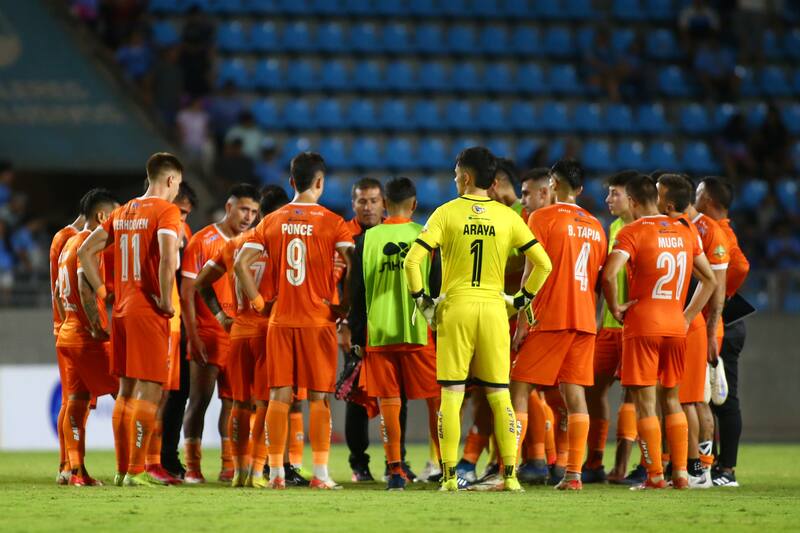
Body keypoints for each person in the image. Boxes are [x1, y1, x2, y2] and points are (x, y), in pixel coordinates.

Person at [403, 146, 552, 492]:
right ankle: (511, 476)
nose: (455, 180)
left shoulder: (445, 213)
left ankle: (450, 478)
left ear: (466, 177)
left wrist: (424, 303)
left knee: (452, 395)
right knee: (500, 395)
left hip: (456, 308)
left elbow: (413, 262)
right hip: (494, 310)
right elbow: (543, 264)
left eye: (456, 175)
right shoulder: (508, 217)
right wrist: (520, 301)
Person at [235, 152, 355, 490]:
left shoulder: (271, 220)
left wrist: (259, 303)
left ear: (291, 182)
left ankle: (274, 474)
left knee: (278, 396)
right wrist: (345, 303)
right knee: (318, 398)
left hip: (281, 320)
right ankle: (319, 473)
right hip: (318, 320)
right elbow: (352, 260)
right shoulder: (333, 222)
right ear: (319, 182)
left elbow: (241, 264)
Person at [601, 175, 716, 490]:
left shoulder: (632, 232)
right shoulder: (684, 231)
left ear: (634, 202)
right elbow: (710, 280)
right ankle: (680, 474)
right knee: (673, 401)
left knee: (645, 404)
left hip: (642, 325)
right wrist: (688, 315)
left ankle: (654, 476)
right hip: (675, 327)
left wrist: (614, 307)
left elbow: (609, 275)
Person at [78, 152, 183, 486]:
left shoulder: (122, 211)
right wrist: (166, 301)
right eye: (178, 183)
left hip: (122, 311)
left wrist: (105, 292)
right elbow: (168, 259)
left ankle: (124, 469)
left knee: (125, 393)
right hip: (148, 313)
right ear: (170, 180)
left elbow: (85, 253)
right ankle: (137, 470)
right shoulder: (167, 211)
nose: (177, 190)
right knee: (150, 392)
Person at [510, 159, 608, 491]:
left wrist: (523, 318)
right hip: (584, 318)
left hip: (550, 316)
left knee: (519, 386)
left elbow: (530, 270)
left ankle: (509, 471)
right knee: (575, 394)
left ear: (553, 184)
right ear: (580, 189)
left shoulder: (541, 217)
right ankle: (574, 475)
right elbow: (597, 276)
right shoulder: (597, 226)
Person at [195, 185, 291, 488]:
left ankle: (238, 471)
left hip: (237, 332)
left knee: (238, 403)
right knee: (263, 403)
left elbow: (201, 283)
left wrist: (221, 315)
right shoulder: (284, 246)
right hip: (268, 332)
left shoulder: (236, 244)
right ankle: (257, 469)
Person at [349, 177, 442, 491]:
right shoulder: (427, 237)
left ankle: (395, 470)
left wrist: (359, 337)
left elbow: (357, 293)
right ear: (414, 205)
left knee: (390, 401)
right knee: (437, 399)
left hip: (380, 333)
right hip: (420, 332)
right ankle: (446, 466)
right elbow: (439, 288)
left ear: (384, 204)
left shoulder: (366, 240)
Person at [180, 184, 260, 484]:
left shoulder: (255, 242)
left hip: (240, 333)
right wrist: (213, 317)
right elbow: (193, 288)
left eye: (253, 211)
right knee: (199, 400)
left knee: (234, 400)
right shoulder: (203, 240)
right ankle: (192, 466)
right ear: (229, 207)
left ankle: (229, 465)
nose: (248, 216)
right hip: (209, 332)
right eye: (243, 209)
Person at [656, 174, 729, 489]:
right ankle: (686, 466)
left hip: (695, 325)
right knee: (683, 398)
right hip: (680, 322)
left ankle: (700, 467)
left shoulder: (705, 231)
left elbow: (717, 286)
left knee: (693, 400)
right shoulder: (679, 228)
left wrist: (705, 327)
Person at [55, 188, 120, 486]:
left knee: (76, 401)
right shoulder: (88, 245)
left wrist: (70, 319)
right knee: (127, 395)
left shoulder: (68, 243)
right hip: (86, 337)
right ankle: (135, 467)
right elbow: (83, 283)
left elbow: (58, 292)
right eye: (115, 217)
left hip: (67, 333)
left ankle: (76, 471)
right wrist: (95, 325)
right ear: (103, 217)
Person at [582, 170, 640, 486]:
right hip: (607, 325)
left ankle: (624, 466)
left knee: (632, 396)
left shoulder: (645, 230)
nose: (608, 199)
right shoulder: (613, 229)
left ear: (631, 198)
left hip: (633, 326)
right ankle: (594, 461)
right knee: (594, 391)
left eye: (614, 193)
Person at [696, 176, 751, 487]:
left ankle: (727, 470)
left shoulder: (721, 233)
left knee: (723, 400)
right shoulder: (716, 229)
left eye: (699, 192)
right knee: (707, 398)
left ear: (710, 201)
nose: (695, 194)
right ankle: (714, 465)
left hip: (723, 326)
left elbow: (741, 267)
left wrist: (723, 293)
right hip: (721, 323)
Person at [337, 177, 387, 482]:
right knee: (357, 398)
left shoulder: (394, 232)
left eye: (373, 201)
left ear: (383, 203)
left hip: (390, 327)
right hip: (355, 329)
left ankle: (399, 461)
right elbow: (334, 283)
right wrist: (341, 324)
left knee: (397, 396)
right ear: (353, 203)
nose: (367, 207)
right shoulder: (342, 234)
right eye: (362, 201)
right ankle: (359, 463)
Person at [160, 182, 197, 479]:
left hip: (176, 323)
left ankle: (166, 457)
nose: (182, 220)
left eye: (186, 215)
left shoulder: (184, 233)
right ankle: (148, 459)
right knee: (153, 394)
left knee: (178, 392)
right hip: (159, 321)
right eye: (180, 212)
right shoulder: (160, 227)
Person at [49, 207, 85, 484]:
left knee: (72, 400)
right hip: (74, 327)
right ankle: (72, 466)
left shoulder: (61, 237)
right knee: (77, 400)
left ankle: (68, 465)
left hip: (63, 325)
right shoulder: (75, 239)